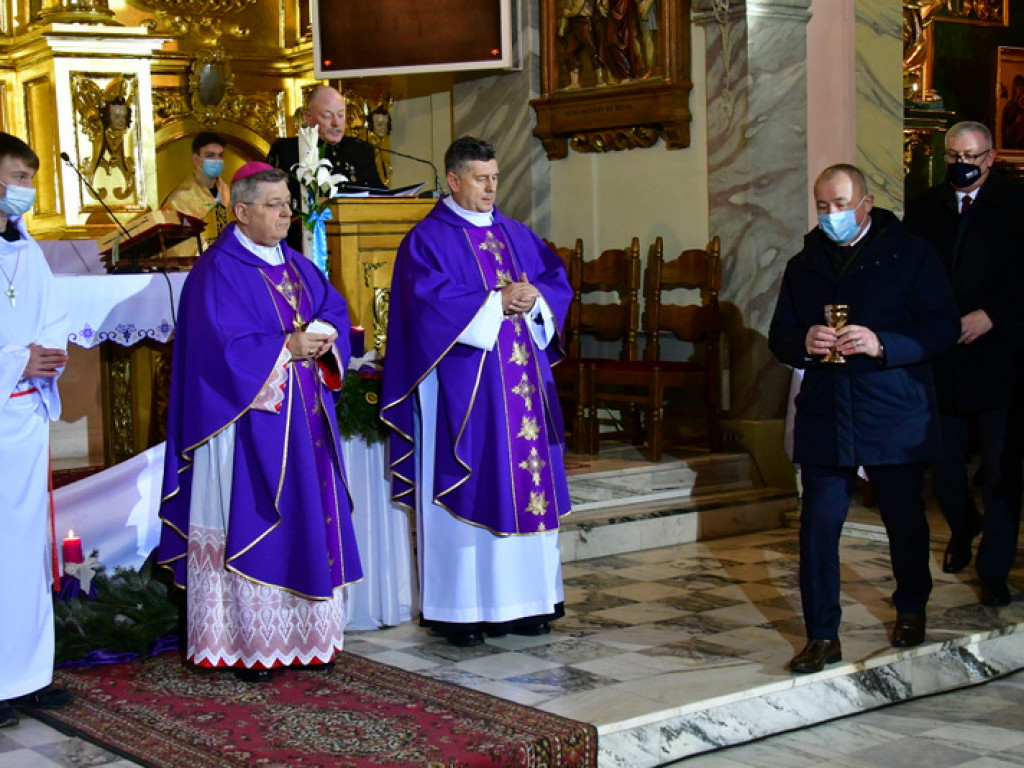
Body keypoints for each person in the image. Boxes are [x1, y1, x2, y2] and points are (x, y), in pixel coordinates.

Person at [157, 161, 362, 682]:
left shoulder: (296, 264)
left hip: (305, 419)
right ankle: (249, 643)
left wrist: (325, 337)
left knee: (306, 517)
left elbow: (334, 309)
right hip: (244, 424)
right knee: (254, 517)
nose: (286, 214)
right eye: (274, 205)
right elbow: (214, 353)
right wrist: (283, 350)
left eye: (288, 204)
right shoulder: (215, 272)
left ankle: (307, 639)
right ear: (241, 211)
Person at [381, 136, 573, 648]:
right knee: (471, 482)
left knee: (527, 485)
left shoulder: (515, 232)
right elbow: (425, 305)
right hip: (466, 393)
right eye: (481, 178)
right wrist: (494, 303)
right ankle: (462, 611)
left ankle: (531, 603)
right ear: (454, 180)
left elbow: (555, 280)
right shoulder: (427, 241)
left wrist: (536, 300)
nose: (492, 188)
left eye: (495, 177)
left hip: (523, 388)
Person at [769, 163, 959, 673]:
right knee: (818, 527)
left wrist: (883, 344)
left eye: (841, 206)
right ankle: (822, 635)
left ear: (866, 204)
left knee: (903, 518)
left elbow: (943, 326)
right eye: (823, 207)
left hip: (891, 407)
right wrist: (803, 341)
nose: (831, 216)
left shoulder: (911, 254)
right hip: (827, 411)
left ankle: (912, 606)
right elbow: (780, 334)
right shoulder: (803, 264)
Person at [904, 121, 1024, 607]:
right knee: (945, 462)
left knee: (1000, 468)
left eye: (971, 155)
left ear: (991, 157)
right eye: (953, 156)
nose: (961, 164)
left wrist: (992, 316)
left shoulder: (1017, 205)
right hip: (944, 353)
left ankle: (994, 567)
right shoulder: (926, 208)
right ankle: (962, 524)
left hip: (1002, 355)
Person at [0, 132, 72, 726]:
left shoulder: (28, 250)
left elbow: (48, 320)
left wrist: (48, 356)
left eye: (30, 179)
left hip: (25, 414)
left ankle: (27, 674)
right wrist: (15, 360)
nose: (25, 191)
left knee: (25, 551)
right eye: (17, 179)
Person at [267, 85, 386, 249]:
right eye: (327, 116)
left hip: (359, 243)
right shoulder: (288, 151)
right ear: (308, 117)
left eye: (341, 115)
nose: (336, 122)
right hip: (302, 245)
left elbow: (379, 193)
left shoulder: (361, 150)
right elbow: (272, 202)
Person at [162, 131, 232, 257]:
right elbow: (178, 246)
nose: (217, 161)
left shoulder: (228, 193)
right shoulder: (180, 200)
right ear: (196, 160)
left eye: (220, 156)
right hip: (200, 265)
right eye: (210, 156)